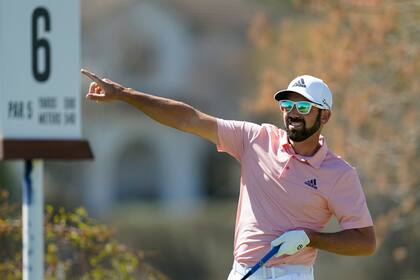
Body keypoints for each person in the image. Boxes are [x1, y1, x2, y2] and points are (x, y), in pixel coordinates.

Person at [81, 69, 376, 280]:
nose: (292, 113)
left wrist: (310, 238)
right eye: (287, 104)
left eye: (302, 106)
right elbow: (188, 118)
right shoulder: (255, 140)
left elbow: (365, 242)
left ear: (324, 115)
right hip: (243, 271)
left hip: (292, 275)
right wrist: (125, 95)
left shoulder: (339, 174)